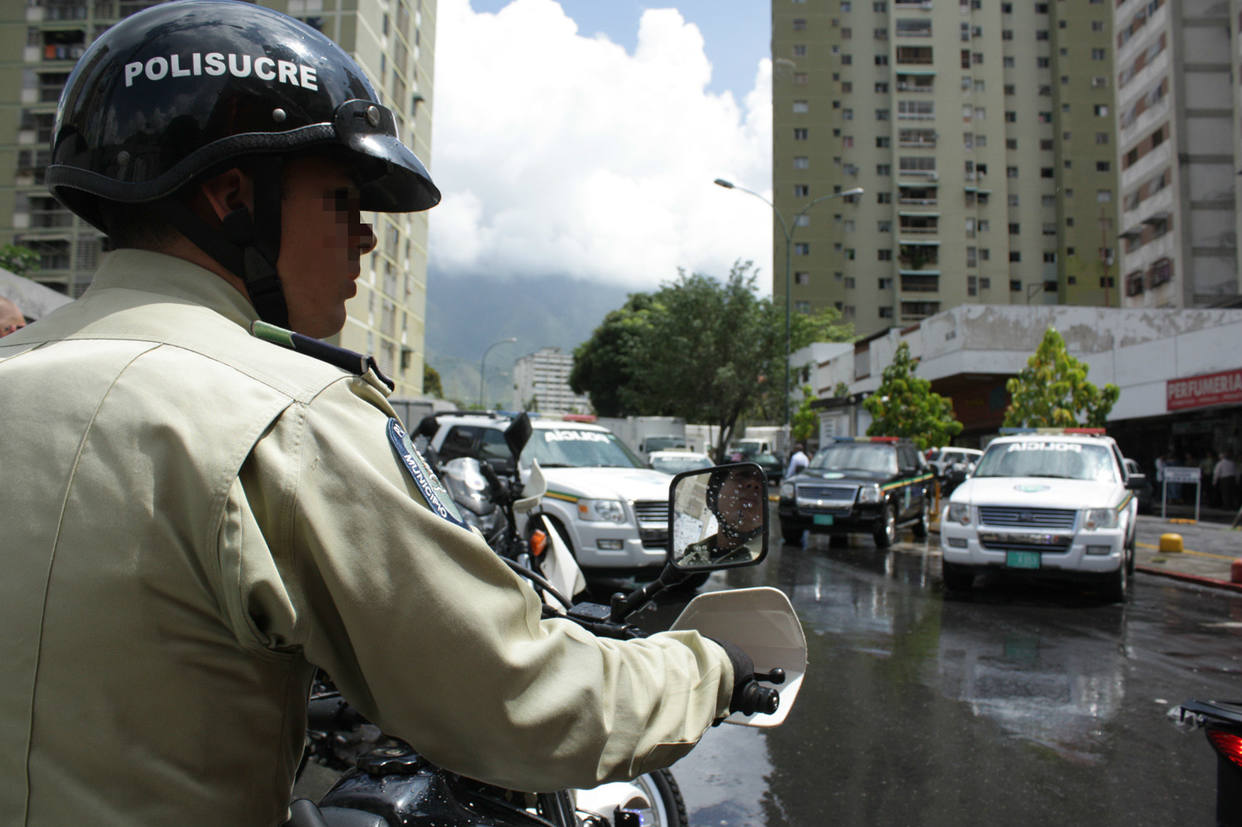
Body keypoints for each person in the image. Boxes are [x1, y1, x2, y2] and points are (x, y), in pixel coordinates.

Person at [0, 4, 758, 825]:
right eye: (341, 199)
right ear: (231, 198)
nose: (365, 240)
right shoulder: (283, 416)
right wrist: (710, 666)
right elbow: (515, 694)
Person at [679, 466, 768, 567]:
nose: (753, 484)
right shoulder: (691, 557)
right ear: (714, 495)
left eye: (763, 481)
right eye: (742, 476)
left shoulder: (767, 559)